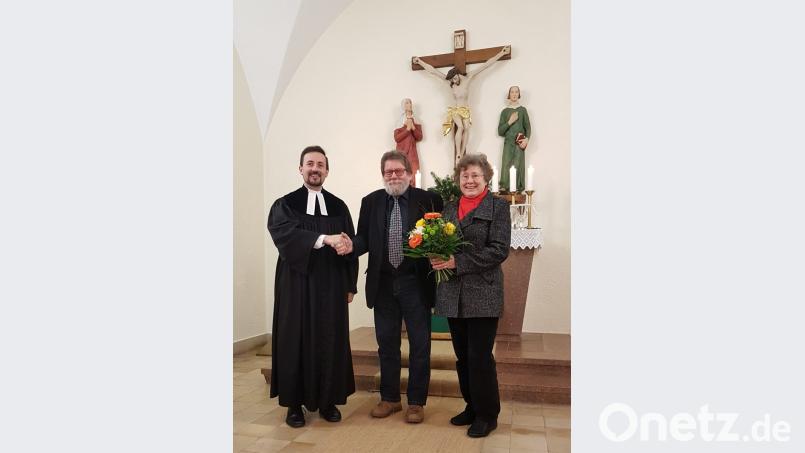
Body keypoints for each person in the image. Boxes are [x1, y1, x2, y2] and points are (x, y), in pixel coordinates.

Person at [266, 145, 358, 428]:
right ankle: (294, 404)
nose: (315, 168)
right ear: (301, 169)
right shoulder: (285, 204)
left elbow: (350, 244)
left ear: (327, 171)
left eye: (320, 164)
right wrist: (324, 239)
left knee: (330, 338)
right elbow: (284, 234)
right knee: (294, 338)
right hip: (296, 283)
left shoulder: (339, 206)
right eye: (310, 164)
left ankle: (328, 401)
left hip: (331, 285)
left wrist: (350, 284)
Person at [352, 151, 443, 423]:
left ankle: (416, 402)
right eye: (388, 172)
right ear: (383, 175)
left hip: (415, 283)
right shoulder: (370, 202)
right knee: (387, 344)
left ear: (409, 173)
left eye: (398, 171)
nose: (393, 176)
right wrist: (348, 246)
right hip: (382, 284)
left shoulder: (428, 199)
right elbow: (363, 239)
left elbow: (437, 236)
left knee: (420, 344)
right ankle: (389, 398)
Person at [429, 153, 511, 438]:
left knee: (479, 357)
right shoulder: (449, 209)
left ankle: (488, 414)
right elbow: (441, 244)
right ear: (458, 179)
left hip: (484, 293)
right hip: (453, 294)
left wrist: (456, 262)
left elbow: (499, 250)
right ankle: (471, 406)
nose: (470, 180)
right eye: (465, 176)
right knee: (462, 357)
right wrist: (436, 257)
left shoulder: (498, 207)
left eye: (475, 175)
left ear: (486, 177)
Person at [413, 46, 510, 164]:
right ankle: (458, 153)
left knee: (467, 129)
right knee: (461, 127)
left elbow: (485, 65)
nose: (454, 81)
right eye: (452, 80)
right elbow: (433, 71)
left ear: (458, 74)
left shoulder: (468, 78)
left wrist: (501, 53)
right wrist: (420, 62)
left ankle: (463, 152)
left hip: (466, 110)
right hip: (456, 110)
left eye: (454, 78)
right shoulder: (451, 83)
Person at [497, 85, 531, 192]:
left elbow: (528, 128)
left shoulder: (523, 110)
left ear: (519, 94)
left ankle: (517, 188)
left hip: (519, 142)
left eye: (517, 92)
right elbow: (500, 131)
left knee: (518, 164)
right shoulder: (504, 111)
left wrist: (526, 139)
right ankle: (504, 187)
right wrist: (509, 122)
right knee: (506, 163)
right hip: (508, 142)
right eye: (512, 92)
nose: (514, 94)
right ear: (509, 95)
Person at [393, 98, 423, 187]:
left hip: (413, 153)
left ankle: (414, 194)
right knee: (401, 174)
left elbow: (419, 137)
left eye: (410, 102)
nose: (409, 104)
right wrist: (407, 129)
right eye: (407, 103)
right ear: (403, 106)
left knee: (414, 174)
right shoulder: (399, 121)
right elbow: (397, 138)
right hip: (401, 152)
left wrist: (413, 127)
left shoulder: (416, 120)